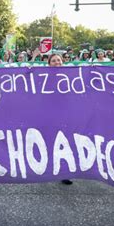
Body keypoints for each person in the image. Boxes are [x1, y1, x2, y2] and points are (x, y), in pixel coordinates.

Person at [46, 53, 73, 185]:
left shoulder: (71, 74)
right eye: (54, 61)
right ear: (49, 64)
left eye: (59, 60)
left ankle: (64, 172)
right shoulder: (43, 76)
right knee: (52, 141)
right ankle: (50, 167)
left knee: (66, 141)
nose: (57, 62)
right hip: (50, 113)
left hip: (66, 112)